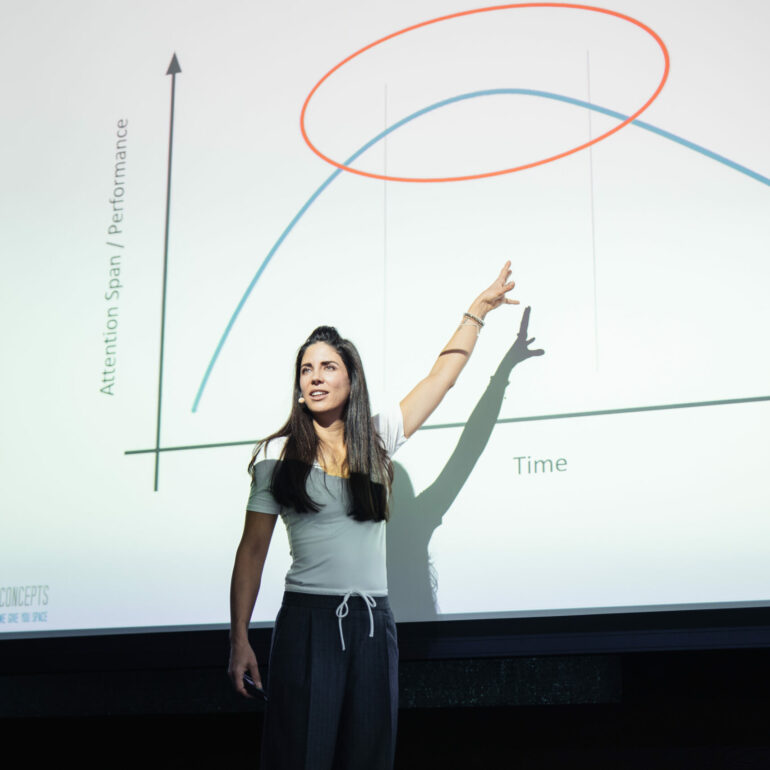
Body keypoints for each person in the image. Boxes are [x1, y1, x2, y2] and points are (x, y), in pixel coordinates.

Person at [228, 261, 521, 769]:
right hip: (307, 623)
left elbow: (442, 378)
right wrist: (239, 640)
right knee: (301, 756)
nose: (316, 378)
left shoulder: (377, 441)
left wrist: (478, 312)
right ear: (299, 387)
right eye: (306, 369)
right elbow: (251, 553)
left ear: (350, 377)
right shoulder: (278, 461)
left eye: (328, 367)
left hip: (371, 623)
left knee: (369, 757)